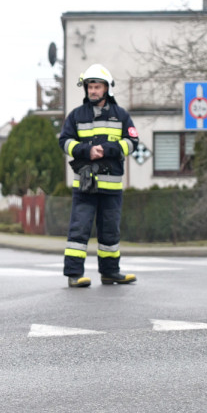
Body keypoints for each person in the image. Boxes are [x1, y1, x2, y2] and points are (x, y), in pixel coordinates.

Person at [58, 63, 139, 288]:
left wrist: (108, 149)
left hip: (111, 188)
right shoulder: (76, 116)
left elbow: (133, 142)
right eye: (90, 87)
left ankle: (110, 273)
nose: (93, 91)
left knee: (110, 232)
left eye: (97, 86)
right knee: (79, 229)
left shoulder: (121, 115)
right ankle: (74, 275)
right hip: (85, 185)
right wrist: (86, 150)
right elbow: (64, 142)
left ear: (107, 89)